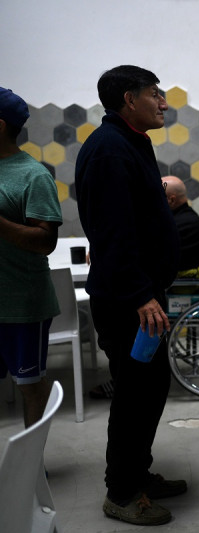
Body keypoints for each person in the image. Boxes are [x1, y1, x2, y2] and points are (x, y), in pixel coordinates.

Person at [75, 65, 184, 526]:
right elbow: (113, 233)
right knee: (134, 395)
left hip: (141, 295)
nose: (163, 103)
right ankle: (121, 493)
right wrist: (142, 295)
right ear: (128, 98)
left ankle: (137, 474)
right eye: (155, 95)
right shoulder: (108, 151)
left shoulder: (130, 142)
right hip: (127, 303)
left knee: (152, 387)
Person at [89, 175, 199, 401]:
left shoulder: (184, 224)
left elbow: (151, 257)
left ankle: (125, 381)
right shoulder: (177, 220)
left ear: (171, 199)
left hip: (185, 291)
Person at [0, 87, 62, 428]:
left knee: (29, 386)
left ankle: (32, 465)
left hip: (21, 305)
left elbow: (45, 241)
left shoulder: (33, 175)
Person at [161, 175, 199, 278]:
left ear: (171, 200)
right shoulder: (187, 220)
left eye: (158, 197)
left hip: (187, 287)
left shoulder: (184, 226)